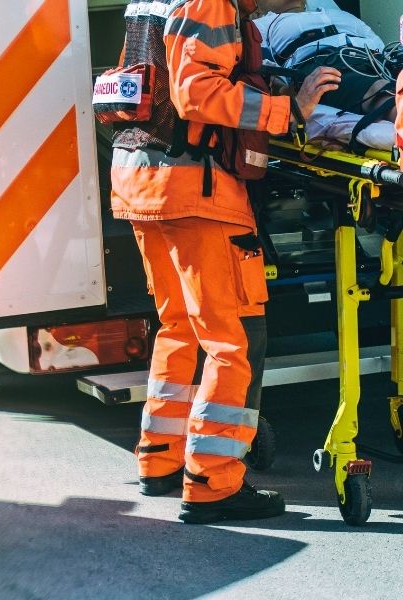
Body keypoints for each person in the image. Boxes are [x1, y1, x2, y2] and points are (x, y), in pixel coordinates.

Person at [109, 0, 340, 523]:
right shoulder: (212, 3)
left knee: (179, 329)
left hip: (145, 183)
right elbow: (194, 92)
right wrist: (289, 109)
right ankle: (213, 483)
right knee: (230, 338)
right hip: (197, 189)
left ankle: (160, 460)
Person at [254, 1, 397, 121]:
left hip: (373, 58)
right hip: (321, 63)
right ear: (258, 7)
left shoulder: (342, 15)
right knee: (375, 89)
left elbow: (379, 45)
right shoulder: (262, 25)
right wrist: (284, 89)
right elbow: (256, 64)